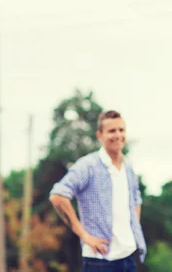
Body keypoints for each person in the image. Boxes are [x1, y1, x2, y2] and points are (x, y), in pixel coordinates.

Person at [50, 110, 146, 271]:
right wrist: (84, 235)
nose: (118, 135)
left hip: (129, 256)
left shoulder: (128, 167)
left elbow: (136, 199)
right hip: (99, 259)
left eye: (121, 130)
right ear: (99, 135)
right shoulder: (88, 165)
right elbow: (57, 196)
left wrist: (132, 233)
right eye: (111, 131)